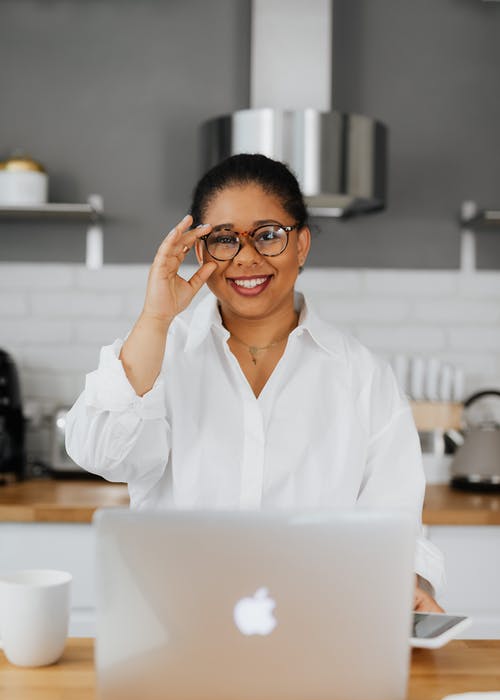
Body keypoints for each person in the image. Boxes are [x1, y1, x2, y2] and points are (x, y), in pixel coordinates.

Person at [66, 153, 444, 613]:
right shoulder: (160, 351)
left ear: (301, 245)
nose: (246, 258)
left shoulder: (364, 376)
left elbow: (397, 519)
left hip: (319, 631)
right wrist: (155, 317)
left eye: (268, 235)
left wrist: (406, 582)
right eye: (224, 239)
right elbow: (100, 454)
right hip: (175, 627)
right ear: (200, 251)